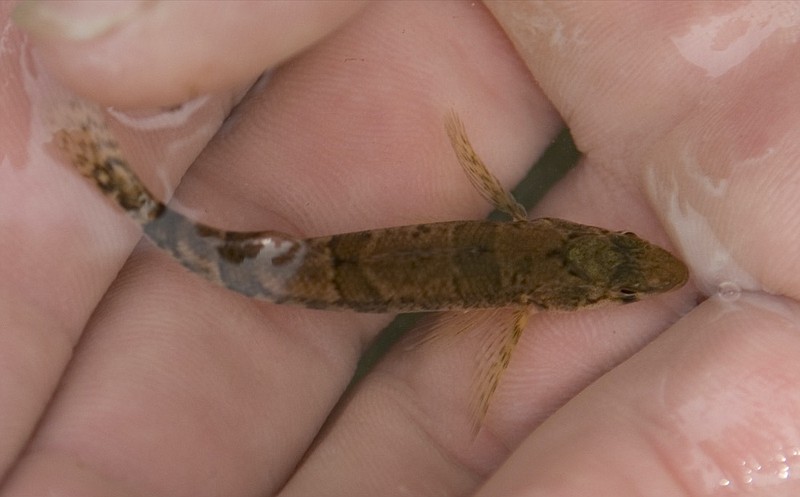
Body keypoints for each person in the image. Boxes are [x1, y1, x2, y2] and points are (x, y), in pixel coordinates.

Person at [2, 1, 798, 495]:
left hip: (317, 263)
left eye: (619, 276)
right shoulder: (520, 306)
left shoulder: (523, 238)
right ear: (551, 285)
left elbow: (471, 158)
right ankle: (110, 177)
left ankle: (109, 175)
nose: (634, 272)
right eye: (621, 275)